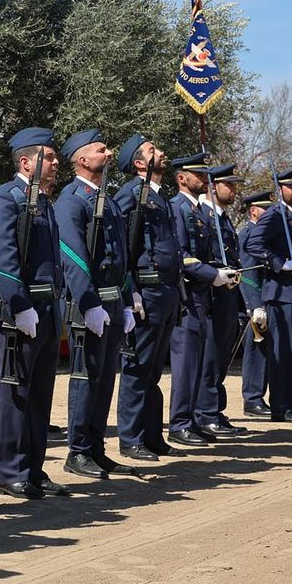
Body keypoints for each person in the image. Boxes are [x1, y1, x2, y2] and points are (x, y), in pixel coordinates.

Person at [0, 128, 71, 500]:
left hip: (48, 309)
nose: (55, 164)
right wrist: (18, 306)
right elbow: (3, 259)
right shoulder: (6, 200)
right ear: (26, 162)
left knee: (40, 393)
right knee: (15, 391)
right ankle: (10, 471)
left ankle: (33, 468)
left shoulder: (42, 202)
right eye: (48, 158)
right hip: (23, 310)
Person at [54, 129, 138, 479]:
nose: (109, 153)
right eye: (101, 149)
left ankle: (96, 447)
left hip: (113, 301)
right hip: (89, 304)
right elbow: (74, 257)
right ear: (82, 159)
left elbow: (121, 254)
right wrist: (88, 304)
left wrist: (129, 299)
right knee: (86, 377)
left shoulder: (108, 198)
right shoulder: (72, 199)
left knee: (105, 379)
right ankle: (77, 451)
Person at [112, 135, 180, 459]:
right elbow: (122, 246)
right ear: (139, 163)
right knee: (138, 367)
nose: (161, 152)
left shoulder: (156, 195)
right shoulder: (130, 195)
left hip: (165, 291)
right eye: (154, 150)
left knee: (154, 370)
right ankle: (131, 439)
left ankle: (152, 435)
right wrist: (131, 291)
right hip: (147, 292)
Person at [166, 155, 240, 447]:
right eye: (199, 174)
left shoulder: (197, 211)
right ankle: (180, 422)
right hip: (189, 294)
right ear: (182, 178)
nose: (204, 179)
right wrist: (212, 273)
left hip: (204, 294)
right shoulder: (178, 209)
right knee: (186, 364)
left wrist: (218, 272)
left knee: (198, 362)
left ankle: (193, 419)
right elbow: (181, 255)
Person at [241, 169, 292, 421]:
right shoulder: (275, 214)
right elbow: (253, 244)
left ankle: (290, 401)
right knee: (284, 352)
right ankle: (280, 405)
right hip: (284, 293)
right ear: (280, 190)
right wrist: (280, 263)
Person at [196, 166, 247, 436]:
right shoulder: (202, 215)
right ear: (212, 187)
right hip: (211, 293)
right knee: (210, 356)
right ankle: (205, 413)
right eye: (229, 185)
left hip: (228, 293)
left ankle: (215, 409)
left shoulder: (222, 218)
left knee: (221, 356)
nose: (234, 190)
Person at [236, 189, 273, 416]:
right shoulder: (249, 235)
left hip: (269, 299)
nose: (269, 213)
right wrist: (255, 304)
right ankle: (253, 399)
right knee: (256, 350)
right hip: (256, 302)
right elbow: (248, 273)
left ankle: (260, 396)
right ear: (253, 211)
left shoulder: (265, 236)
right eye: (265, 210)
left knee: (267, 351)